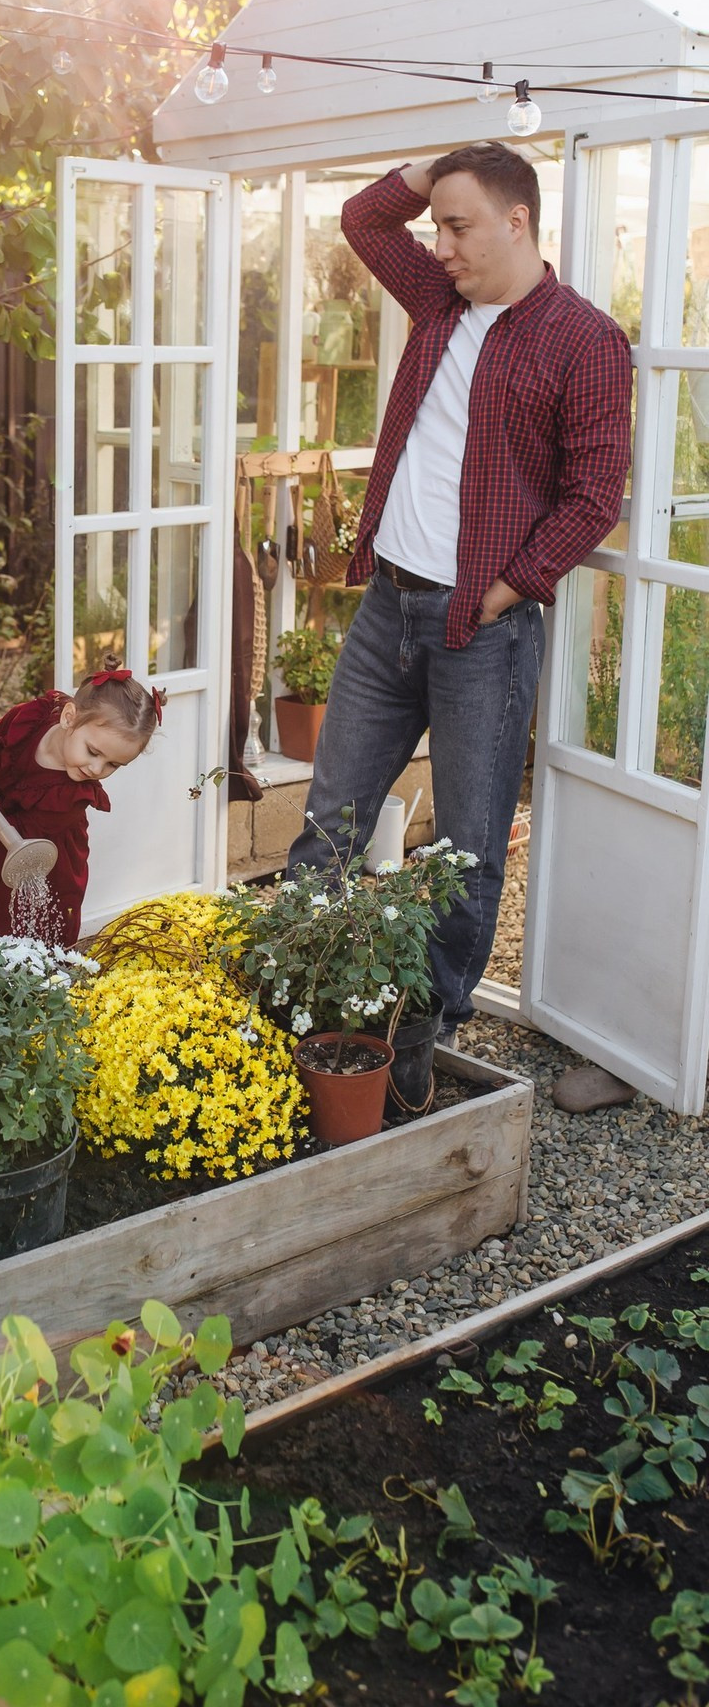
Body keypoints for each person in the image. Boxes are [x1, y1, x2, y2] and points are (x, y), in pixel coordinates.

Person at [288, 142, 632, 1070]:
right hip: (386, 610)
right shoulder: (440, 300)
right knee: (330, 824)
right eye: (436, 224)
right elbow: (365, 217)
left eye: (458, 224)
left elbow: (595, 494)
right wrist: (439, 167)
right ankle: (295, 1000)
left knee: (465, 851)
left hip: (482, 628)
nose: (438, 244)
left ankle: (416, 1037)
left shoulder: (585, 340)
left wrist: (505, 591)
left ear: (518, 220)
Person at [0, 661, 164, 944]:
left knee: (28, 942)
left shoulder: (73, 796)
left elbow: (16, 836)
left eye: (113, 764)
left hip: (44, 867)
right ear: (69, 718)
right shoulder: (32, 717)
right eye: (93, 752)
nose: (97, 770)